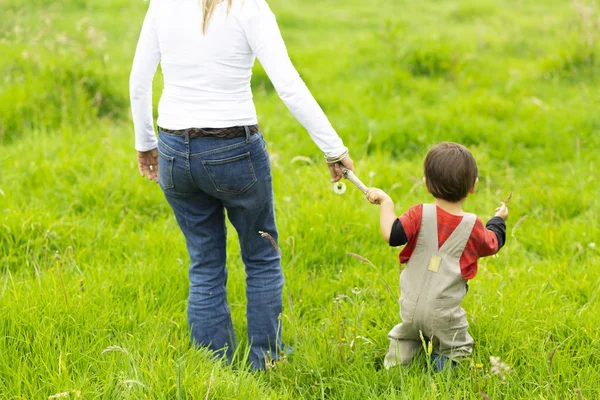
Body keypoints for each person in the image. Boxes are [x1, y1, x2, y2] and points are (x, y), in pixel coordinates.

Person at [129, 0, 354, 370]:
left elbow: (138, 82)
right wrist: (334, 149)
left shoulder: (163, 4)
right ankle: (267, 359)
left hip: (172, 149)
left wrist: (146, 143)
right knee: (262, 256)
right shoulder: (250, 7)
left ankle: (212, 366)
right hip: (234, 149)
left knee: (203, 261)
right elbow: (288, 85)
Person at [365, 142, 508, 372]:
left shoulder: (418, 214)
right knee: (457, 347)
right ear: (473, 186)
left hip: (410, 306)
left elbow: (392, 234)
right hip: (446, 313)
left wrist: (386, 203)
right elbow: (493, 243)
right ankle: (442, 365)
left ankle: (397, 364)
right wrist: (498, 221)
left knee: (406, 335)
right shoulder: (473, 226)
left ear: (426, 184)